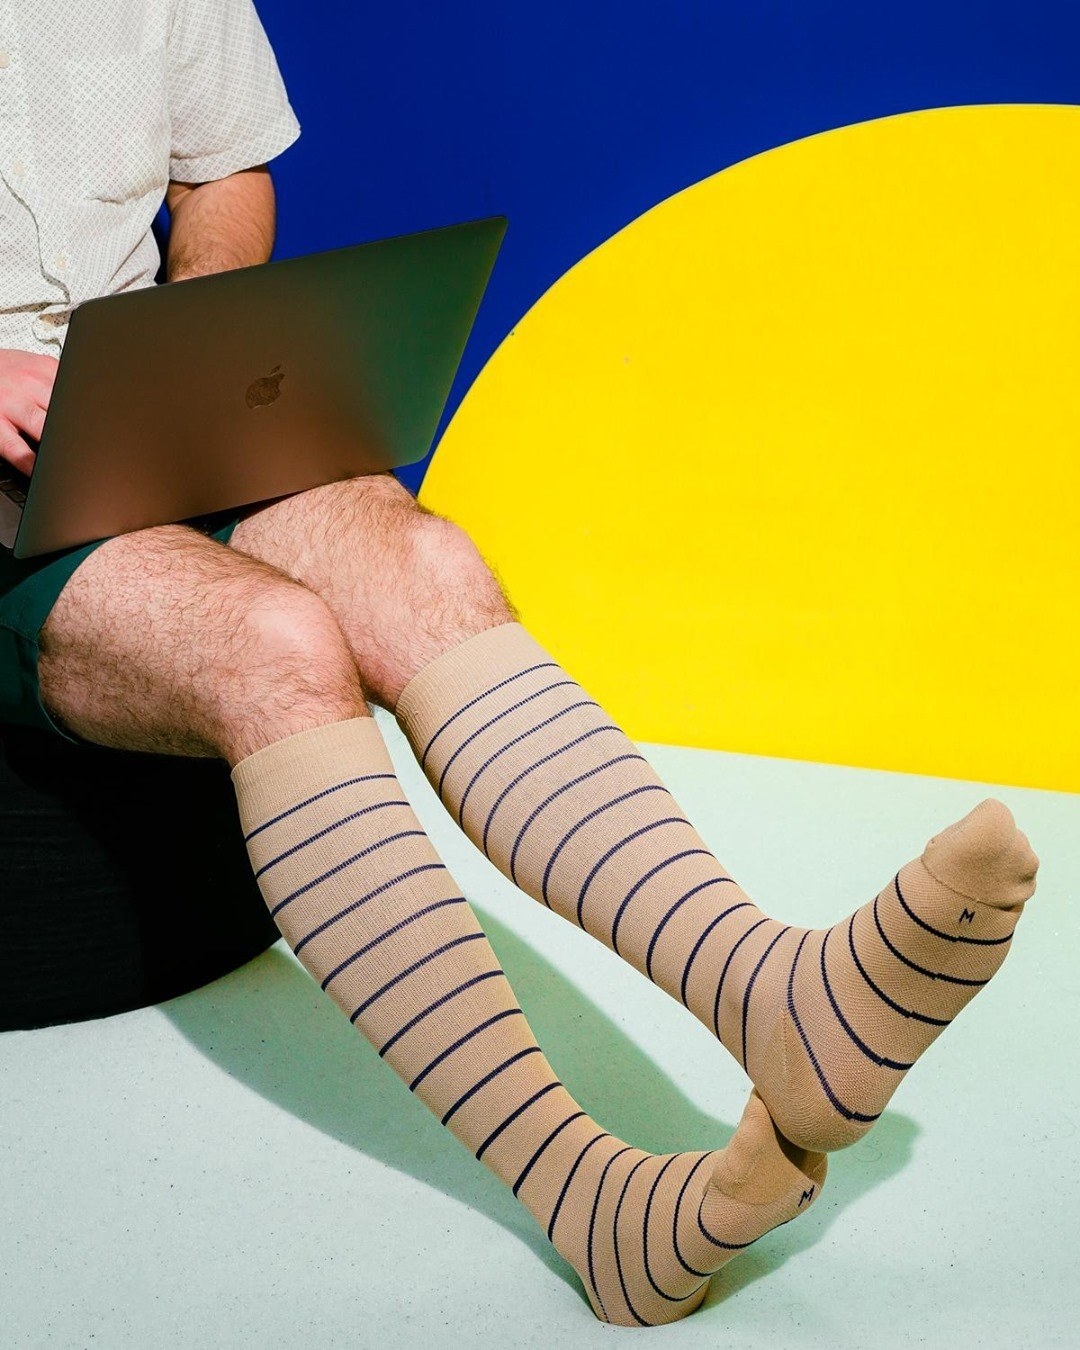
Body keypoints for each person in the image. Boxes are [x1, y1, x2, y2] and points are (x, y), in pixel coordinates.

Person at [0, 0, 1039, 1328]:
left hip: (131, 413)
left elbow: (225, 174)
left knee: (424, 566)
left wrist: (189, 342)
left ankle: (774, 995)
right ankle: (588, 1196)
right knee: (274, 644)